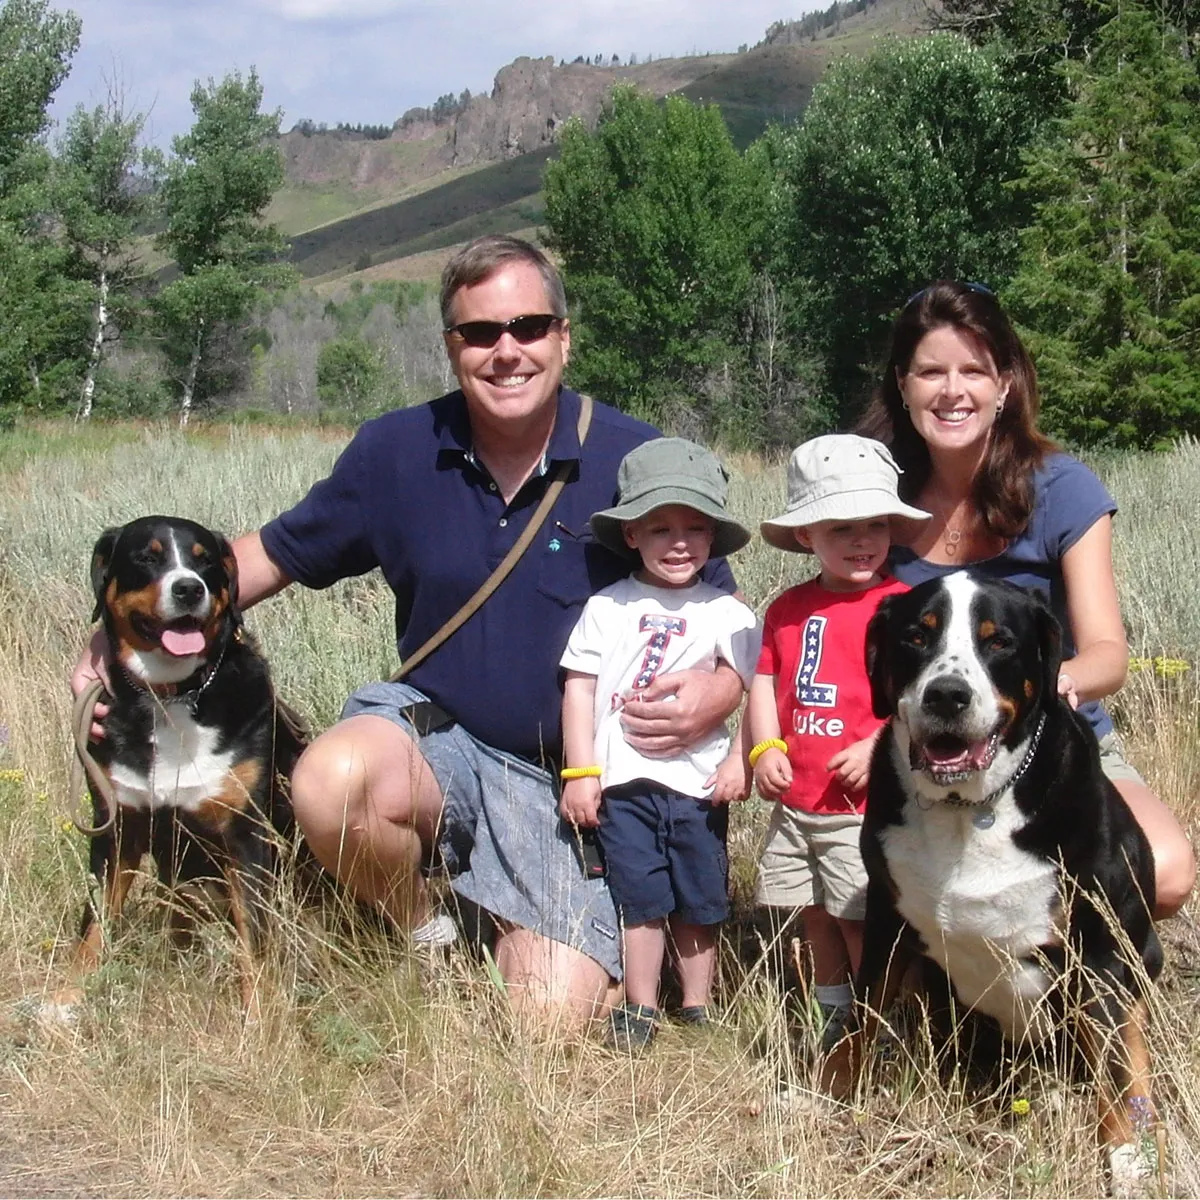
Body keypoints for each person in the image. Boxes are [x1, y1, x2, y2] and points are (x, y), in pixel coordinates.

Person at [70, 234, 747, 1023]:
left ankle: (515, 920)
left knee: (548, 1018)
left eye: (529, 327)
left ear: (564, 335)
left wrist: (715, 693)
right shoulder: (395, 451)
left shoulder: (635, 459)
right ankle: (427, 927)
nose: (507, 351)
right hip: (437, 741)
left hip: (571, 782)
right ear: (450, 346)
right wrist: (116, 638)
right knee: (330, 782)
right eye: (480, 333)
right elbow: (266, 557)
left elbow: (723, 624)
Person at [858, 280, 1195, 919]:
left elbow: (1107, 655)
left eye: (973, 371)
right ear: (903, 384)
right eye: (931, 371)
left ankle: (1056, 976)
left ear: (1006, 382)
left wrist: (1034, 688)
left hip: (1048, 742)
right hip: (904, 744)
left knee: (1167, 873)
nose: (951, 391)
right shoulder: (874, 499)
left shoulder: (1062, 488)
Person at [558, 438, 760, 1050]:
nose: (679, 542)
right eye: (660, 528)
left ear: (713, 539)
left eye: (696, 529)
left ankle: (697, 1003)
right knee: (639, 897)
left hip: (697, 786)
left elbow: (757, 691)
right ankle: (641, 1006)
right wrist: (581, 772)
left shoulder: (727, 612)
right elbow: (579, 689)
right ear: (631, 536)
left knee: (701, 898)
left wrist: (735, 759)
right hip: (625, 784)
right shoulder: (607, 606)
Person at [747, 434, 930, 1047]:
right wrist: (764, 748)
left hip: (862, 807)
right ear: (807, 536)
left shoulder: (903, 608)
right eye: (841, 527)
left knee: (860, 914)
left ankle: (878, 1018)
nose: (861, 541)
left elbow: (919, 695)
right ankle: (832, 1011)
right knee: (814, 913)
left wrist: (880, 741)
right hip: (799, 802)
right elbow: (765, 678)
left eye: (874, 525)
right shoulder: (788, 608)